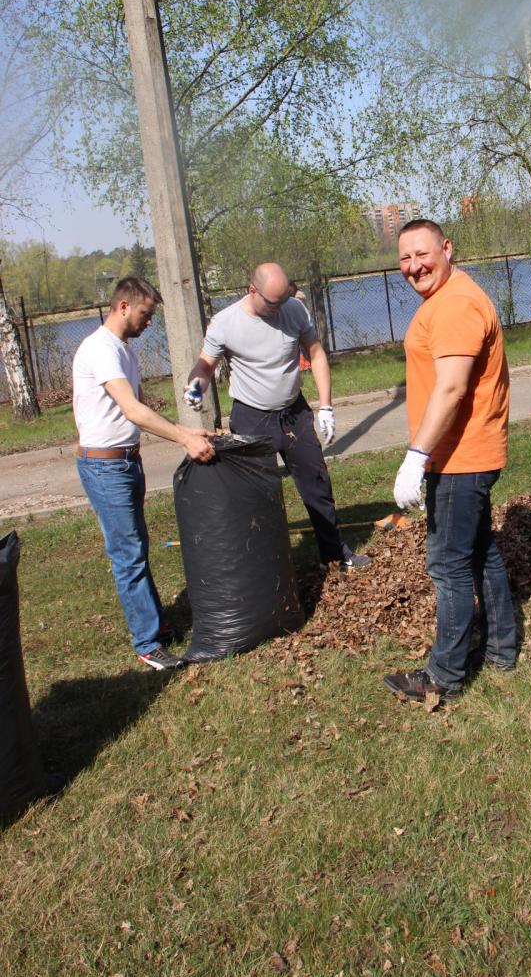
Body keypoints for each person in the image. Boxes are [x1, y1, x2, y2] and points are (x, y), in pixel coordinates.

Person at [384, 220, 517, 702]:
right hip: (464, 454)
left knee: (449, 566)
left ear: (446, 247)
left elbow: (454, 386)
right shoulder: (445, 298)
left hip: (461, 457)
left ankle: (443, 676)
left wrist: (416, 457)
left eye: (421, 254)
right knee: (481, 552)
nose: (413, 266)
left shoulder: (457, 303)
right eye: (404, 258)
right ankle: (502, 649)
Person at [184, 262, 370, 570]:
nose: (279, 308)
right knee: (258, 495)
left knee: (316, 483)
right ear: (251, 290)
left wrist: (325, 405)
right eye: (273, 302)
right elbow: (205, 365)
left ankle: (334, 555)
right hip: (251, 417)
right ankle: (267, 568)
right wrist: (196, 386)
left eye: (284, 299)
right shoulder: (225, 323)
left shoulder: (294, 310)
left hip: (294, 413)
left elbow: (317, 353)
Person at [73, 277, 215, 671]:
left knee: (136, 547)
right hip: (105, 466)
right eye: (146, 314)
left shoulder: (122, 350)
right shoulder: (100, 350)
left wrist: (186, 429)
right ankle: (147, 643)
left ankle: (155, 624)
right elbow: (132, 410)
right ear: (123, 307)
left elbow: (134, 409)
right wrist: (184, 437)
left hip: (125, 462)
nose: (150, 321)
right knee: (128, 556)